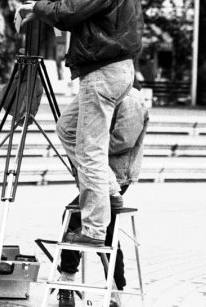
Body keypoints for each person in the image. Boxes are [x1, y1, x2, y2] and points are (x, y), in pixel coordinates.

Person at [18, 0, 143, 247]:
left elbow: (69, 13)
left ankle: (94, 228)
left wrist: (37, 6)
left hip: (104, 72)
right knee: (67, 129)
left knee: (90, 152)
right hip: (112, 71)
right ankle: (110, 191)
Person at [57, 83, 149, 307]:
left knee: (76, 219)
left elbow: (123, 141)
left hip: (116, 175)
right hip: (97, 172)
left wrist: (88, 144)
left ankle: (68, 282)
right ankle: (114, 291)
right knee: (105, 231)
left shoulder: (131, 100)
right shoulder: (103, 93)